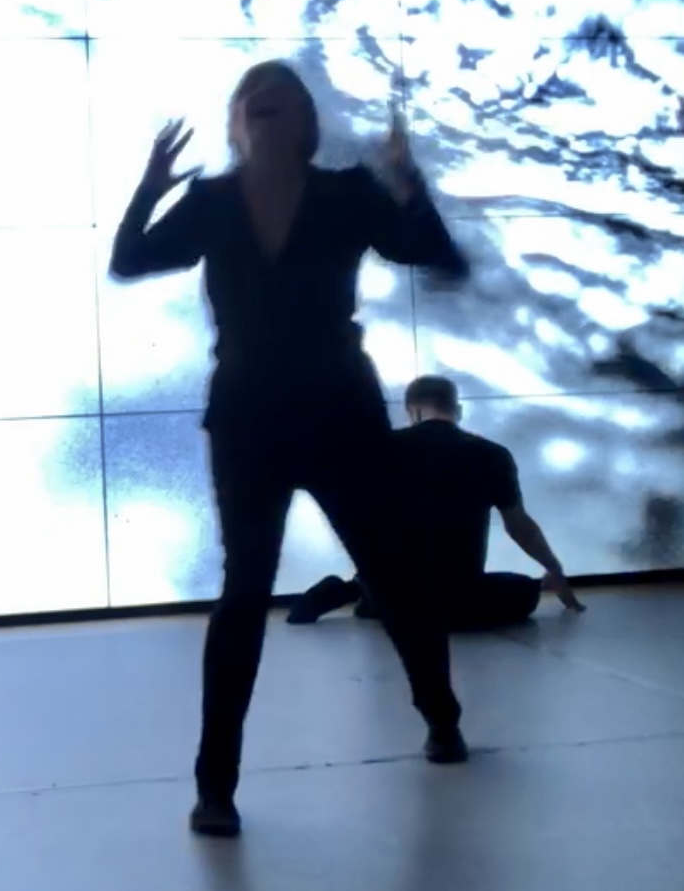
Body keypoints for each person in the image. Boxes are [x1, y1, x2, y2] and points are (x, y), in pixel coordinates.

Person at [110, 60, 473, 839]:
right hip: (249, 421)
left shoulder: (347, 194)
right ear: (236, 127)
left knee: (392, 576)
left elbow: (435, 254)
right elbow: (129, 260)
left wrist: (408, 180)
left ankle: (441, 717)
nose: (263, 108)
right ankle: (215, 788)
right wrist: (149, 187)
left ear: (307, 124)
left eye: (280, 101)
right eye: (251, 101)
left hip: (343, 414)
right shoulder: (209, 203)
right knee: (244, 594)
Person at [287, 375, 586, 628]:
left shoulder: (380, 451)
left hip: (392, 596)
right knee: (523, 591)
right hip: (459, 595)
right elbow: (519, 527)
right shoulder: (491, 454)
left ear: (412, 411)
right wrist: (554, 569)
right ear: (458, 410)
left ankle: (359, 589)